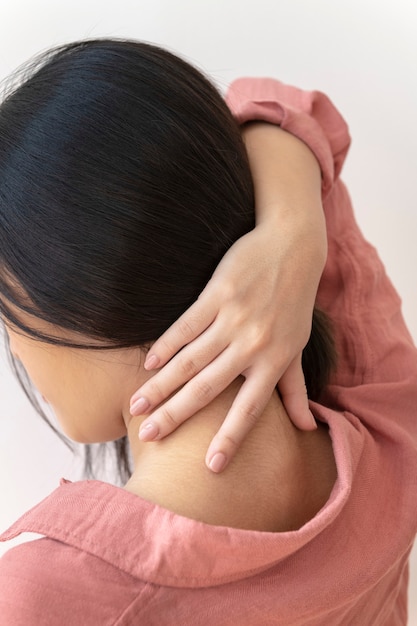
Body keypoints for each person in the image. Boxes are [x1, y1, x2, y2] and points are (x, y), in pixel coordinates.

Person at [0, 39, 416, 625]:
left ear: (85, 296)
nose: (13, 345)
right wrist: (291, 228)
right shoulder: (383, 409)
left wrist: (286, 233)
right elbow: (278, 103)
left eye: (7, 309)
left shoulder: (51, 597)